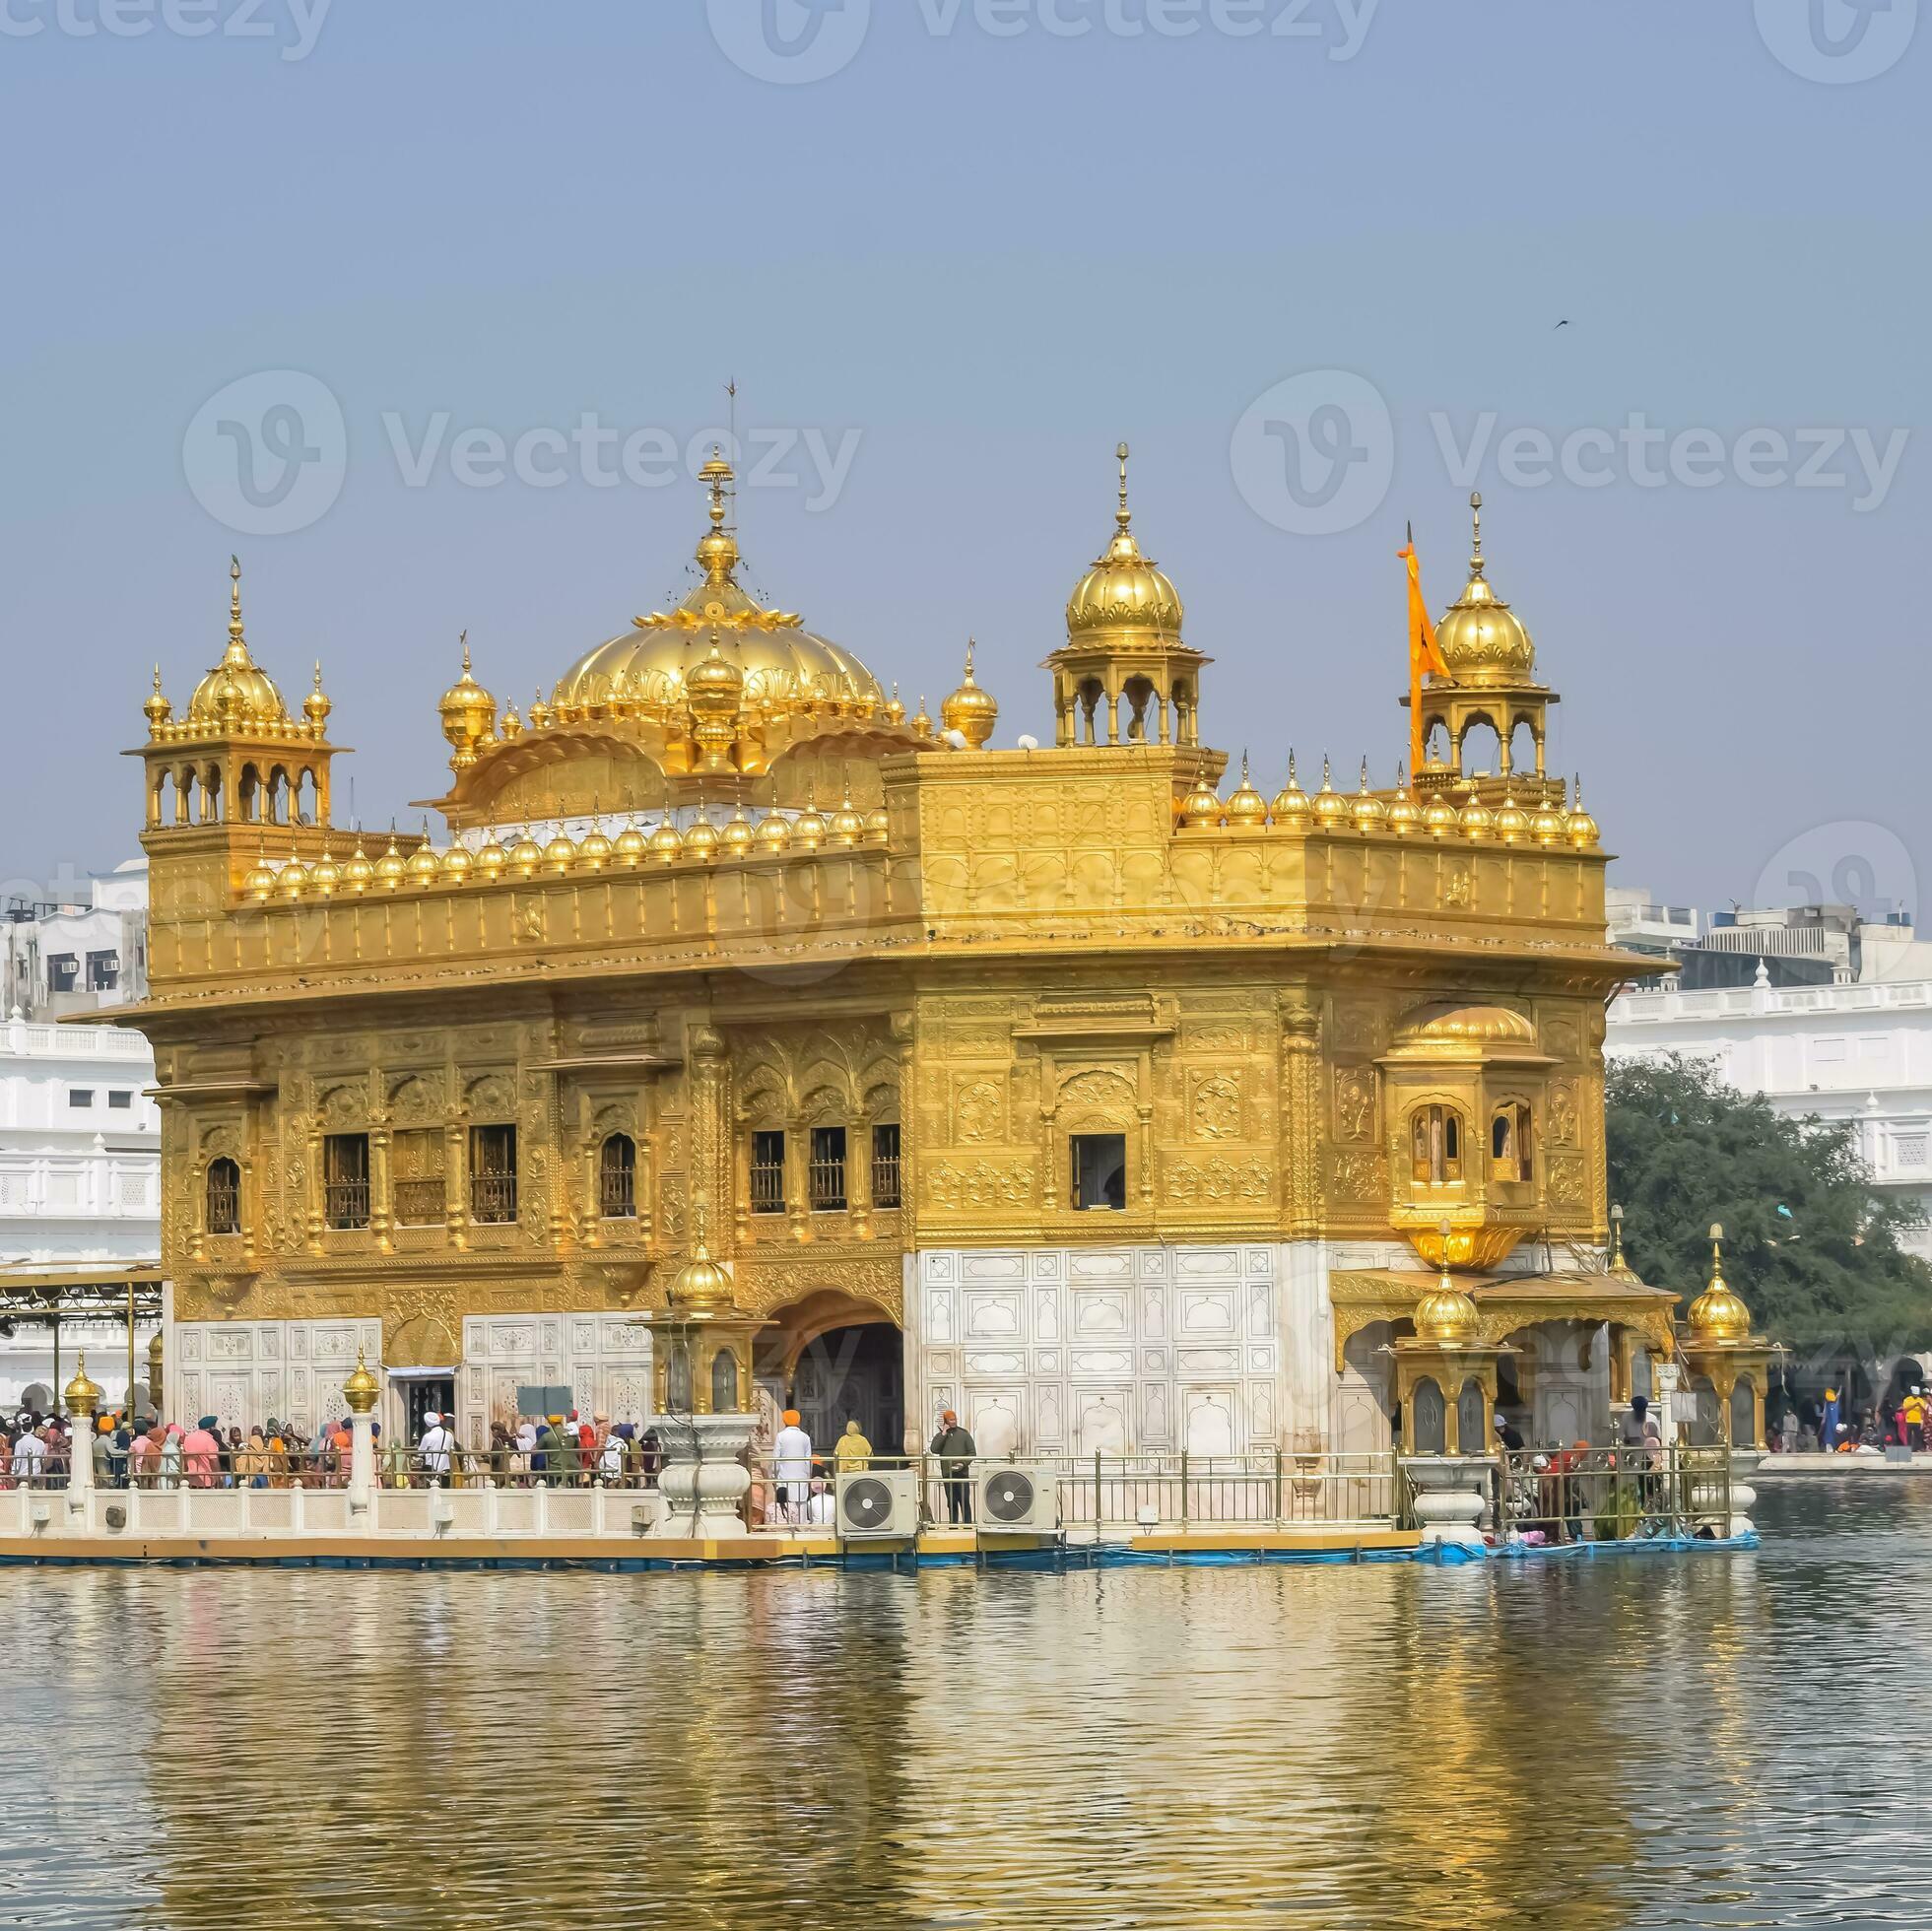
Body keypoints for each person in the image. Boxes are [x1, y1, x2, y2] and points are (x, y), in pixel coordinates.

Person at [929, 1410, 976, 1524]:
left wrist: (962, 1464)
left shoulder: (964, 1434)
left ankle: (967, 1526)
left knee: (964, 1501)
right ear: (946, 1421)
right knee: (951, 1502)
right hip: (948, 1474)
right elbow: (934, 1449)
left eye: (954, 1419)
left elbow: (972, 1452)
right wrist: (944, 1433)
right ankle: (953, 1526)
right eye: (951, 1420)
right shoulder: (941, 1436)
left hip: (962, 1474)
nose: (953, 1422)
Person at [774, 1409, 813, 1525]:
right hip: (801, 1478)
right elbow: (808, 1460)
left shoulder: (781, 1436)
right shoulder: (805, 1437)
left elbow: (776, 1458)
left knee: (786, 1510)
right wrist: (808, 1476)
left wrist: (773, 1475)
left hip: (784, 1478)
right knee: (801, 1513)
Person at [181, 1415, 222, 1489]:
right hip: (206, 1480)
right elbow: (213, 1460)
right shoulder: (209, 1440)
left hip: (191, 1479)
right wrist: (218, 1477)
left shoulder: (188, 1438)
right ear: (211, 1428)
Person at [418, 1411, 456, 1487]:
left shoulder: (427, 1436)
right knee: (444, 1494)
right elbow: (452, 1448)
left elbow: (420, 1453)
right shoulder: (449, 1435)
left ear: (428, 1424)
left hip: (430, 1471)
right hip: (445, 1471)